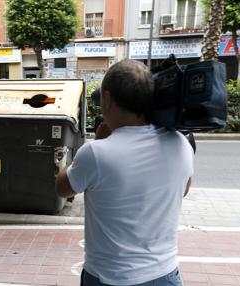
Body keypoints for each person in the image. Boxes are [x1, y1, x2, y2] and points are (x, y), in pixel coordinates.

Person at [55, 60, 194, 286]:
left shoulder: (96, 153)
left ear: (107, 100)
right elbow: (184, 189)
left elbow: (62, 188)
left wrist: (92, 145)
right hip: (165, 275)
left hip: (109, 278)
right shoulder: (181, 143)